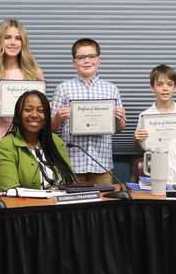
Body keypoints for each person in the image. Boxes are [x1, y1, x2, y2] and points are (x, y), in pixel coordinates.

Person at [51, 38, 126, 184]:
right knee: (72, 198)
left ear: (99, 60)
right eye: (81, 57)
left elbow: (120, 128)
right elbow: (53, 128)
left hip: (102, 163)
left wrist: (119, 118)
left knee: (103, 198)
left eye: (92, 56)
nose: (87, 61)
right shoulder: (63, 88)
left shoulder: (111, 89)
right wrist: (58, 117)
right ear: (74, 62)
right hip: (71, 163)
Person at [0, 19, 44, 165]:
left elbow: (43, 117)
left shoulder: (36, 73)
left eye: (18, 38)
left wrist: (45, 108)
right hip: (2, 138)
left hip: (31, 139)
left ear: (23, 42)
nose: (13, 43)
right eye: (7, 37)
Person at [0, 90, 75, 191]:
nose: (35, 115)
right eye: (28, 110)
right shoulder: (4, 147)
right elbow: (12, 193)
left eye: (40, 111)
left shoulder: (55, 141)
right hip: (29, 202)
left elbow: (72, 183)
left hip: (63, 200)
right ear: (18, 114)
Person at [134, 65, 176, 153]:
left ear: (175, 88)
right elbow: (141, 149)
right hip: (154, 159)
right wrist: (136, 140)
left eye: (169, 84)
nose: (165, 88)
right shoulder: (145, 116)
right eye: (160, 84)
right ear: (152, 88)